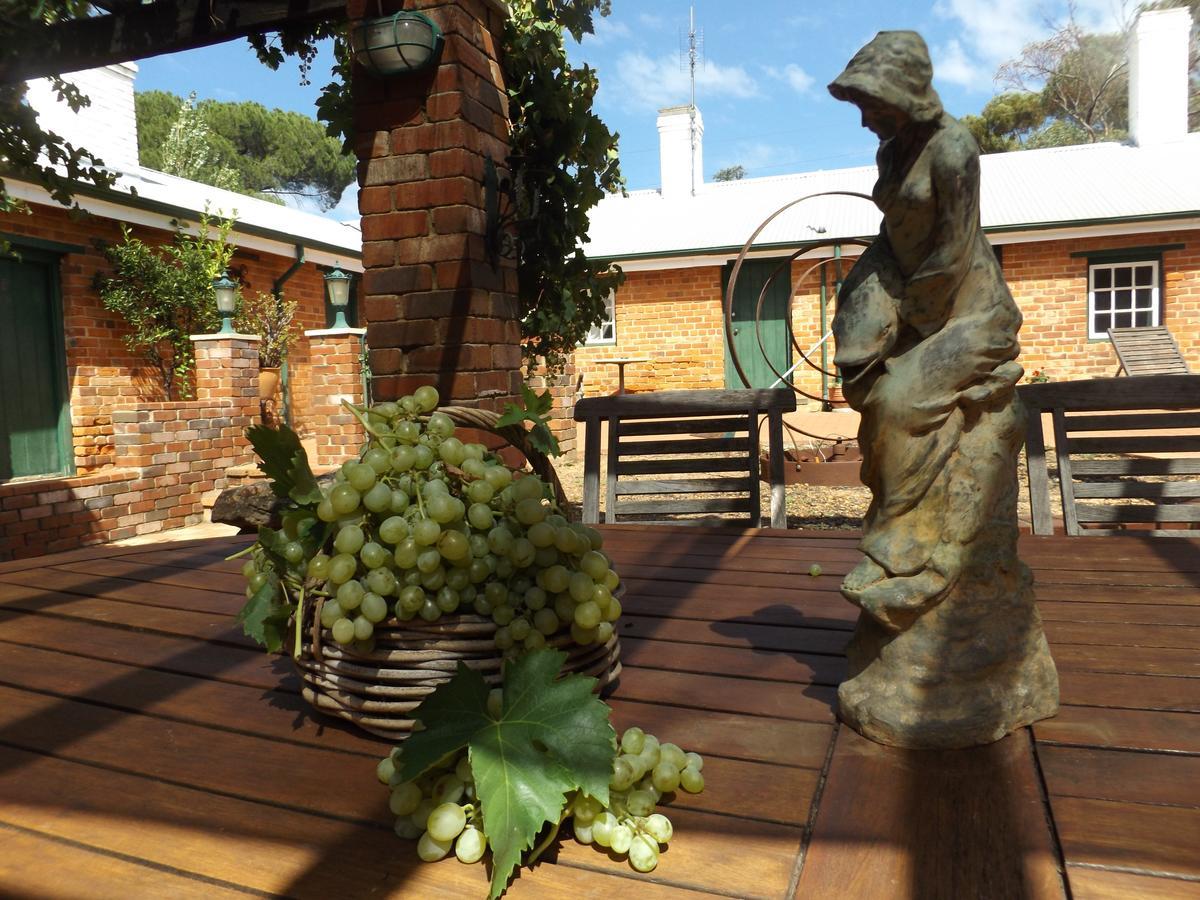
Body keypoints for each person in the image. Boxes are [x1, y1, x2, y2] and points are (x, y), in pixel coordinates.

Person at [828, 31, 1026, 631]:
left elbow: (952, 252)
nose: (864, 119)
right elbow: (898, 230)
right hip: (907, 278)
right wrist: (864, 288)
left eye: (871, 104)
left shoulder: (954, 147)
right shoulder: (893, 149)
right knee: (859, 363)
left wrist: (910, 331)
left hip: (968, 310)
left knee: (897, 398)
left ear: (905, 92)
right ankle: (894, 498)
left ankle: (899, 550)